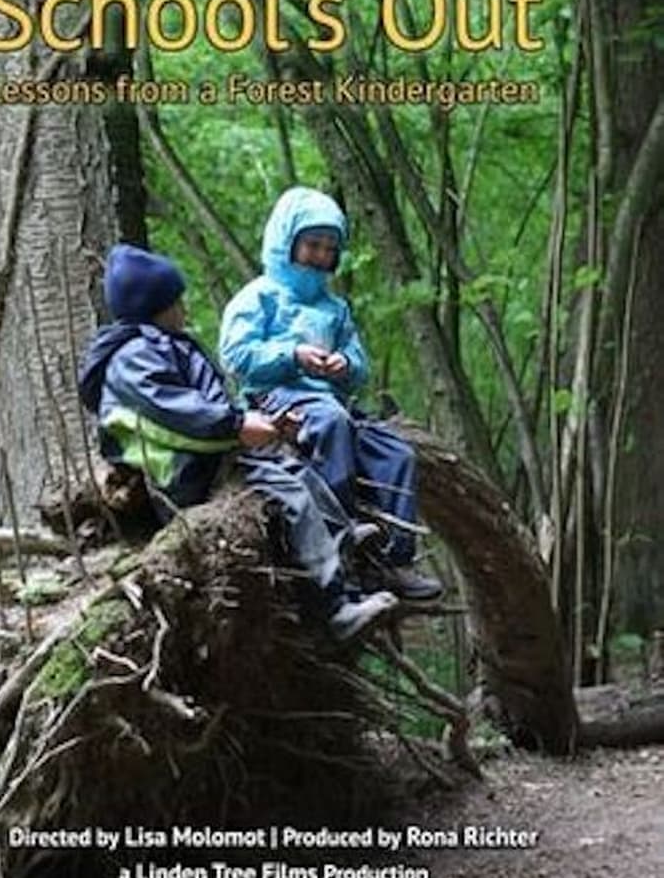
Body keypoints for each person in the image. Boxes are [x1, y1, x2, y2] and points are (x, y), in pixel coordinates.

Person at [78, 242, 398, 640]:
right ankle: (332, 609)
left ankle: (342, 540)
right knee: (289, 493)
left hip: (210, 454)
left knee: (295, 469)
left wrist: (254, 425)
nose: (185, 310)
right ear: (157, 307)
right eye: (178, 302)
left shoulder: (160, 344)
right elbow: (177, 413)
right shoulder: (133, 356)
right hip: (184, 472)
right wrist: (237, 425)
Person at [219, 186, 442, 601]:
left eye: (329, 247)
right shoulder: (259, 297)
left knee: (396, 453)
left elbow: (359, 366)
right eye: (312, 244)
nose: (321, 255)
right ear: (287, 243)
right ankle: (340, 540)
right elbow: (237, 356)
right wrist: (292, 355)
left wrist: (345, 366)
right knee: (331, 423)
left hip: (334, 402)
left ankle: (395, 560)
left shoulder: (335, 309)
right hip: (275, 400)